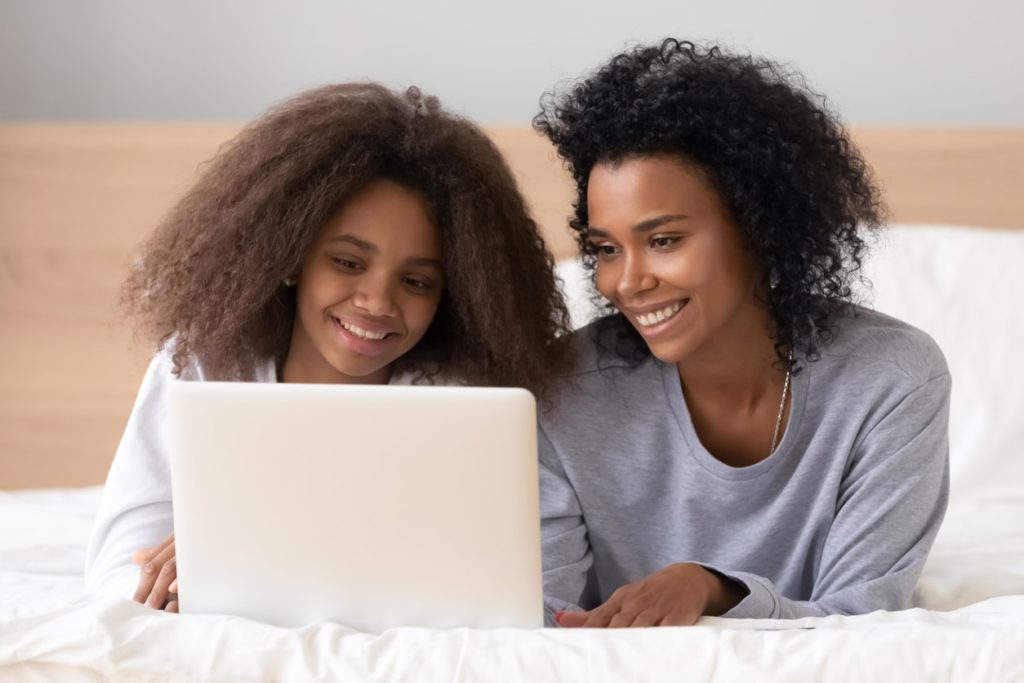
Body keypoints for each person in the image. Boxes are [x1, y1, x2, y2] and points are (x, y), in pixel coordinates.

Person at [85, 83, 572, 611]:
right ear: (290, 257)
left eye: (416, 282)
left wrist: (250, 560)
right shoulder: (204, 363)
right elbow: (118, 571)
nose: (376, 301)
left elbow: (531, 590)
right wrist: (179, 589)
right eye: (347, 262)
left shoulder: (474, 402)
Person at [533, 39, 950, 627]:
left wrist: (712, 589)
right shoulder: (563, 389)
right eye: (606, 249)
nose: (626, 282)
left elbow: (861, 622)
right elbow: (537, 618)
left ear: (760, 229)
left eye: (663, 240)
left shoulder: (891, 380)